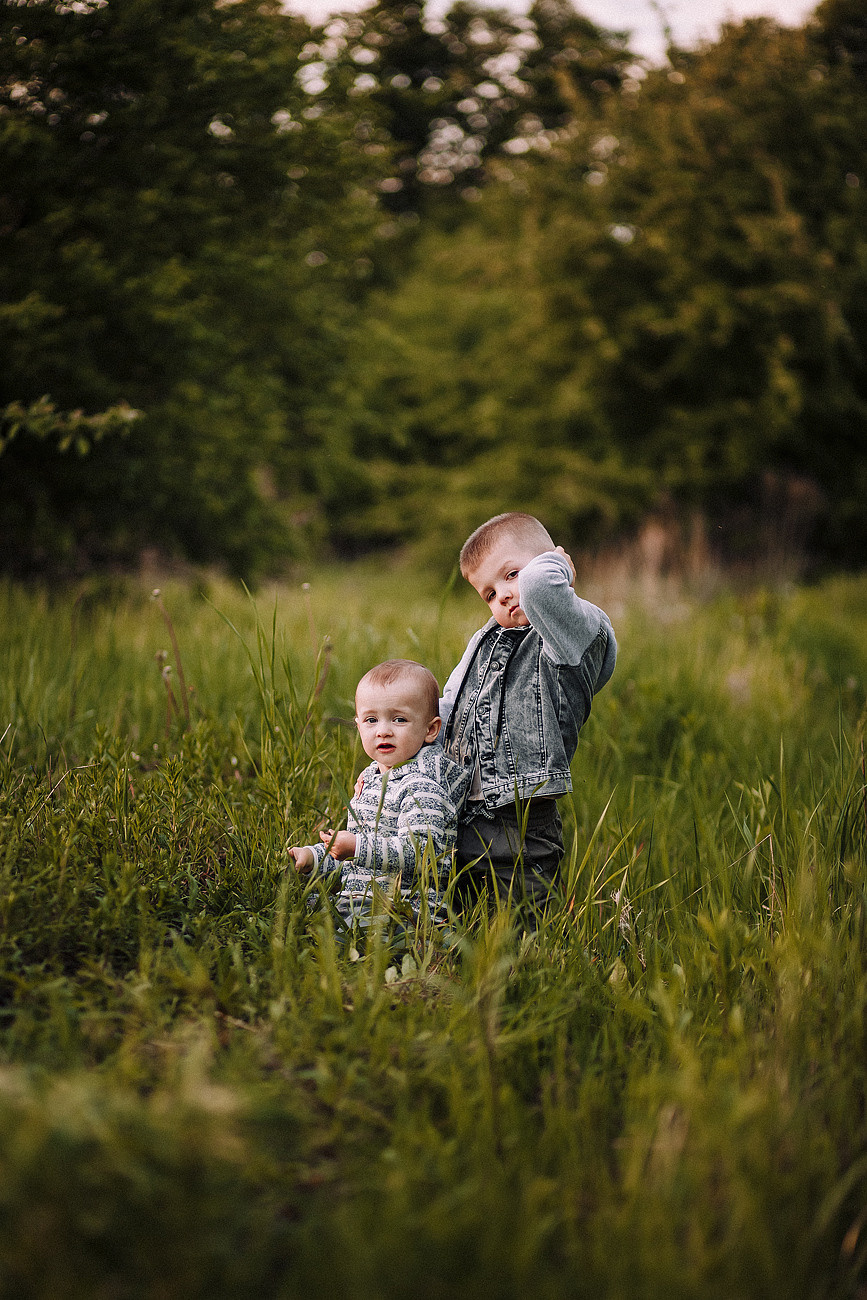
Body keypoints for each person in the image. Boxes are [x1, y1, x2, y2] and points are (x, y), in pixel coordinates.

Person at [440, 512, 616, 914]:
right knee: (462, 926)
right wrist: (394, 766)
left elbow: (540, 590)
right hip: (468, 817)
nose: (502, 595)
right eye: (488, 593)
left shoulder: (566, 633)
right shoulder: (485, 642)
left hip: (525, 822)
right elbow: (448, 712)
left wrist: (556, 568)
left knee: (526, 932)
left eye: (512, 573)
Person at [289, 658, 470, 930]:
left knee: (324, 933)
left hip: (407, 910)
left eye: (399, 719)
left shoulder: (423, 786)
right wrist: (315, 857)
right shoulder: (373, 779)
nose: (383, 730)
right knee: (296, 910)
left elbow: (420, 854)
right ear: (359, 725)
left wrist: (356, 847)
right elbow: (357, 863)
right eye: (371, 720)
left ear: (430, 730)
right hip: (365, 900)